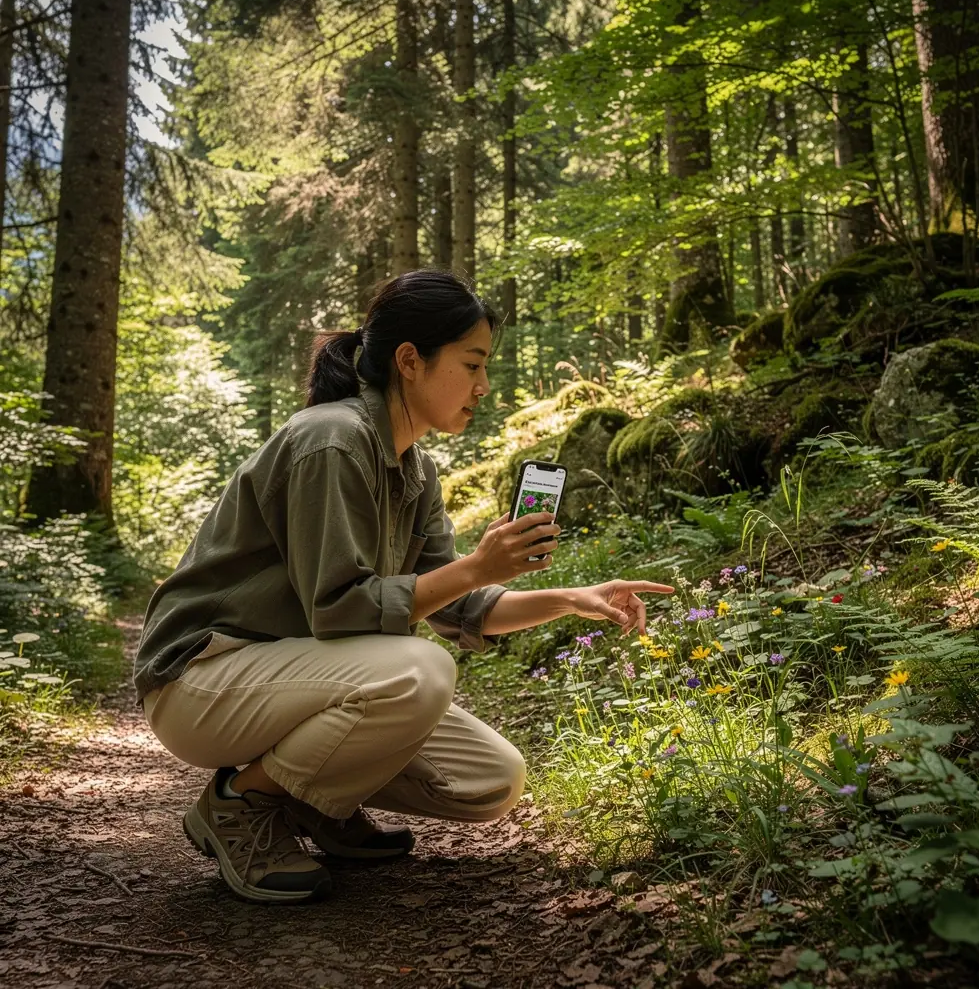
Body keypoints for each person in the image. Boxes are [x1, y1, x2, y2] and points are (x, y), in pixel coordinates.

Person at [133, 270, 674, 904]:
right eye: (472, 364)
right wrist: (477, 566)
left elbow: (461, 605)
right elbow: (340, 610)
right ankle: (241, 802)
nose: (484, 386)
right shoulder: (330, 441)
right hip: (200, 680)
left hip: (294, 679)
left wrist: (573, 599)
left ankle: (310, 803)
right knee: (420, 670)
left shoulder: (416, 468)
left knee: (490, 779)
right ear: (410, 361)